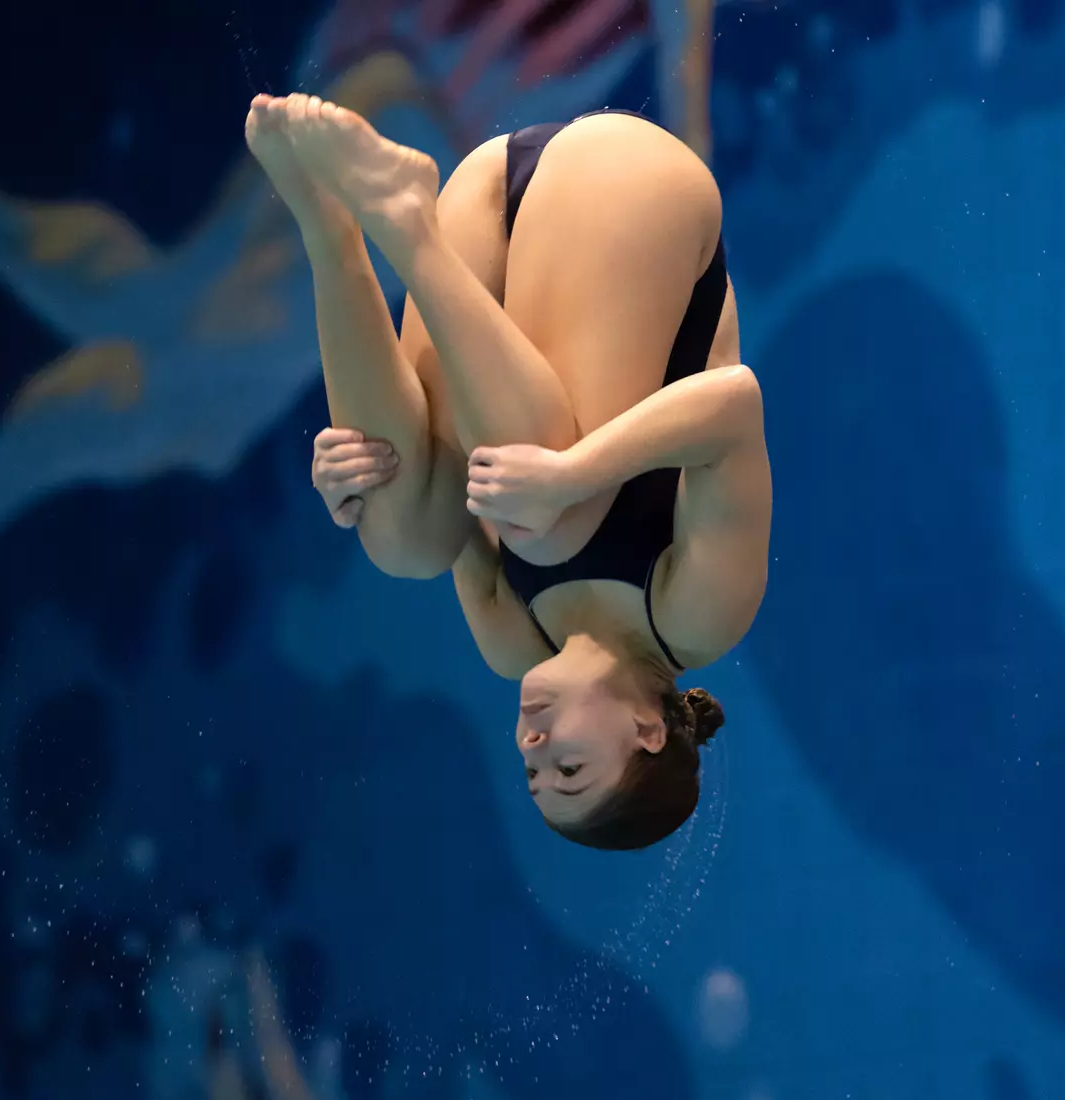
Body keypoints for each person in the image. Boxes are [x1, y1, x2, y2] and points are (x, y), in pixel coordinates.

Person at [244, 93, 772, 850]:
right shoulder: (696, 615)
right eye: (570, 770)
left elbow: (438, 461)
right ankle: (404, 224)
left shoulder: (511, 640)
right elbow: (735, 405)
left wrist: (348, 476)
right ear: (647, 731)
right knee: (548, 520)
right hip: (625, 187)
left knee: (405, 543)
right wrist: (573, 474)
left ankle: (329, 225)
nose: (533, 752)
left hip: (481, 210)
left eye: (533, 778)